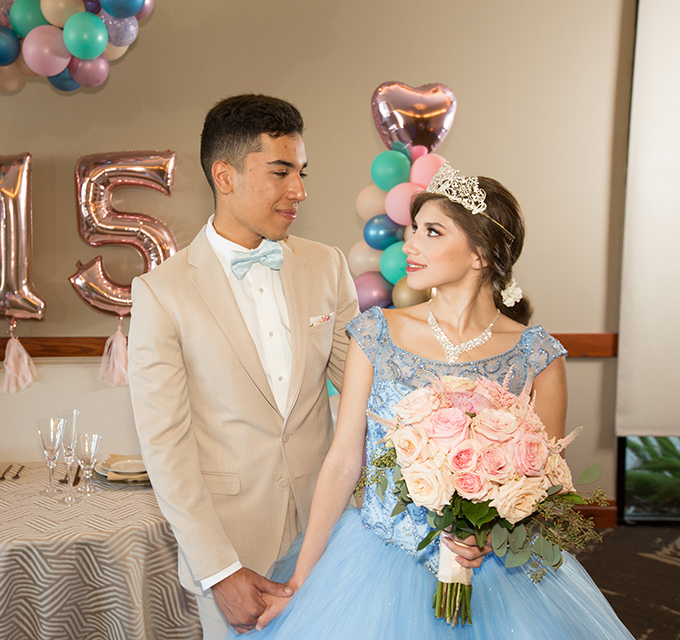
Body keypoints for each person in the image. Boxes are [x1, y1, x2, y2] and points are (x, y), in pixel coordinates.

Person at [242, 164, 634, 638]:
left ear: (481, 254)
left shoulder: (538, 355)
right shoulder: (377, 332)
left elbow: (546, 485)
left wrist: (489, 538)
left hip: (496, 574)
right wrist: (303, 579)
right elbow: (344, 461)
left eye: (431, 232)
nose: (409, 245)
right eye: (412, 231)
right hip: (378, 561)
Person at [126, 94, 360, 638]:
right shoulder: (161, 295)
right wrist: (219, 570)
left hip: (333, 534)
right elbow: (166, 448)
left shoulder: (328, 265)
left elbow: (365, 397)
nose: (299, 190)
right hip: (235, 551)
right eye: (281, 172)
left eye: (301, 172)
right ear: (224, 175)